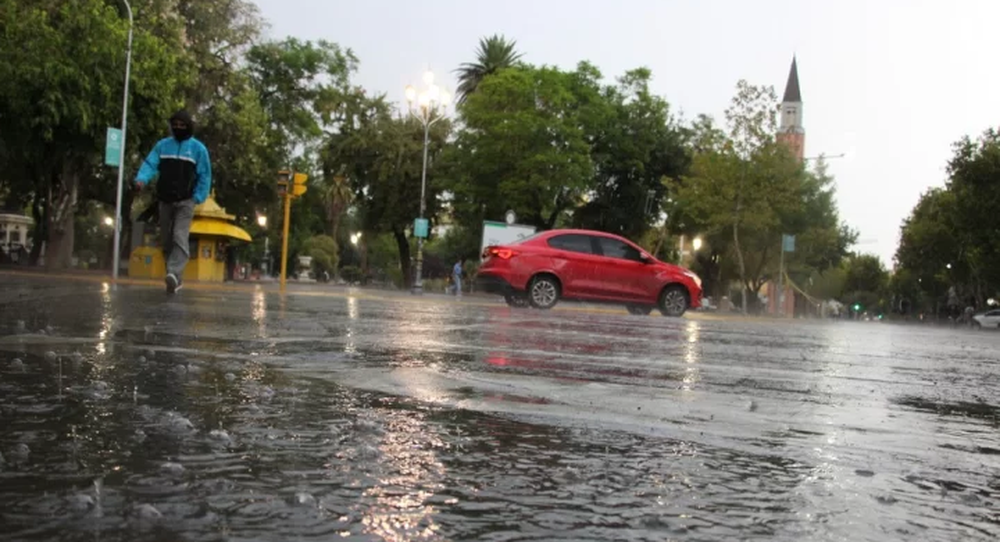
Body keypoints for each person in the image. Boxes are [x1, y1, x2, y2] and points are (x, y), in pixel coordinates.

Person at [134, 110, 212, 294]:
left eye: (182, 125)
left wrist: (198, 197)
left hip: (186, 201)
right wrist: (141, 179)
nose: (178, 128)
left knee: (179, 234)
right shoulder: (163, 146)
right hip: (165, 199)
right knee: (166, 240)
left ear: (189, 126)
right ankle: (175, 278)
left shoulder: (198, 149)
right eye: (175, 124)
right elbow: (150, 164)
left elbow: (205, 175)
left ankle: (174, 273)